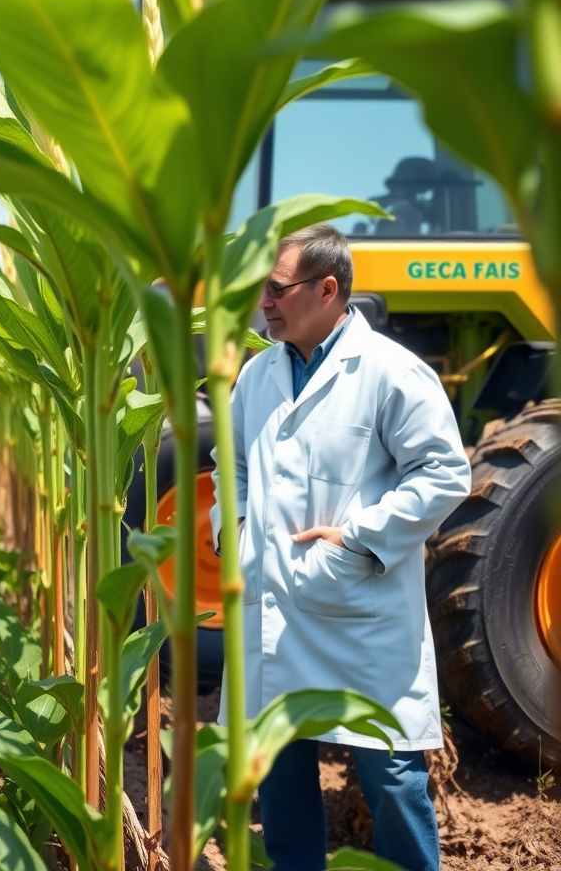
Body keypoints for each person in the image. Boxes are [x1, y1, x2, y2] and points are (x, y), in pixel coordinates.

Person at [215, 223, 471, 871]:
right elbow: (232, 465)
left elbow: (445, 473)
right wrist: (236, 527)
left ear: (328, 290)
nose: (264, 304)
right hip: (273, 607)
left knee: (391, 782)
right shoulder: (255, 377)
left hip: (357, 610)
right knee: (278, 774)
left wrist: (358, 535)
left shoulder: (390, 373)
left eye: (276, 289)